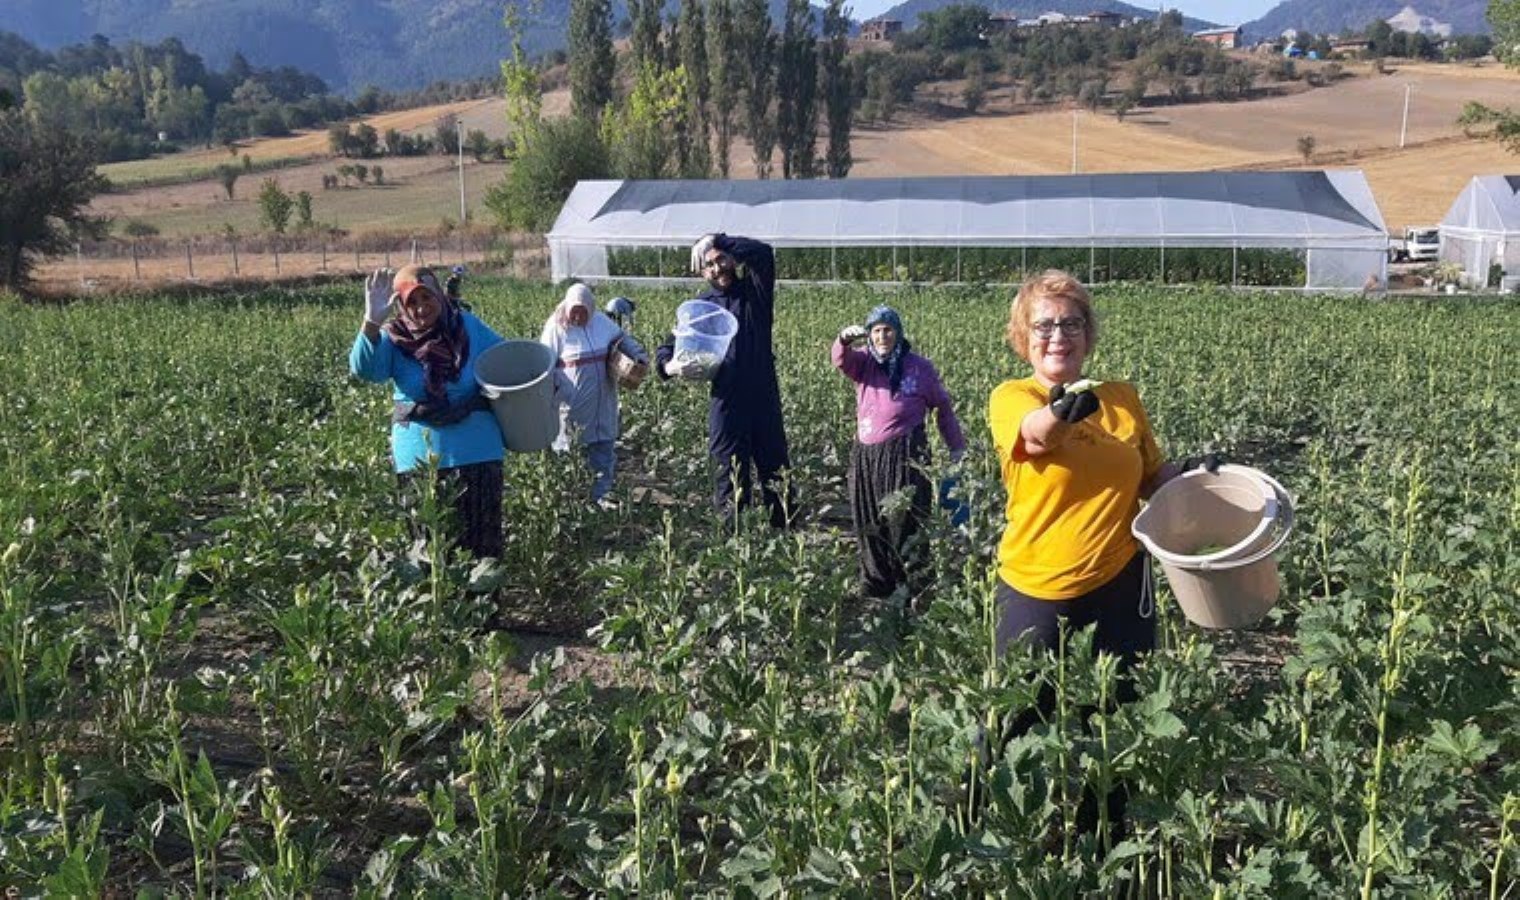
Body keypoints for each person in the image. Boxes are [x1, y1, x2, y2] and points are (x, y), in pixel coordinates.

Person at [987, 269, 1202, 845]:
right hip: (1037, 588)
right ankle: (1002, 841)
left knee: (1116, 723)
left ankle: (1104, 843)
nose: (1059, 335)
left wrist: (1195, 474)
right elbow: (1034, 436)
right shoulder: (1015, 398)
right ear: (1022, 335)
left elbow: (1149, 479)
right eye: (1045, 325)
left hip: (1120, 585)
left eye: (1072, 323)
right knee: (1017, 721)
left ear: (1089, 334)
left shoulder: (1123, 399)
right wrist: (1062, 411)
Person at [349, 265, 506, 558]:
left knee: (483, 552)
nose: (421, 308)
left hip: (478, 453)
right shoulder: (394, 338)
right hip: (419, 459)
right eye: (412, 302)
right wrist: (370, 323)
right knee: (430, 553)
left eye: (427, 298)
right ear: (401, 306)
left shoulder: (468, 327)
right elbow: (364, 369)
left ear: (439, 296)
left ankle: (487, 605)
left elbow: (507, 358)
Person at [656, 233, 795, 528]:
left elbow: (763, 252)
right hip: (727, 400)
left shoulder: (754, 293)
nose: (717, 268)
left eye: (721, 259)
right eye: (709, 264)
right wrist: (670, 367)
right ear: (702, 272)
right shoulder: (702, 307)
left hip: (762, 397)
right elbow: (668, 348)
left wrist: (716, 238)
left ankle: (783, 536)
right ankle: (735, 541)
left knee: (775, 470)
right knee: (728, 472)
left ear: (733, 260)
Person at [834, 305, 966, 603]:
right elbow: (839, 360)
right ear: (869, 335)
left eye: (888, 329)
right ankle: (877, 585)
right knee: (870, 519)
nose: (883, 336)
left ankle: (913, 585)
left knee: (905, 520)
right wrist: (842, 340)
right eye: (876, 330)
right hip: (867, 456)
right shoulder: (863, 363)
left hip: (906, 453)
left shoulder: (920, 367)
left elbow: (943, 410)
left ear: (899, 332)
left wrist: (957, 449)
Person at [540, 283, 644, 504]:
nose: (577, 317)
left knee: (603, 452)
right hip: (571, 406)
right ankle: (570, 503)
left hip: (602, 404)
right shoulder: (555, 329)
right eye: (573, 312)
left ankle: (601, 499)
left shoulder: (601, 323)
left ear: (591, 307)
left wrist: (638, 355)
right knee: (571, 453)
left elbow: (622, 340)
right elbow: (544, 364)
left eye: (583, 312)